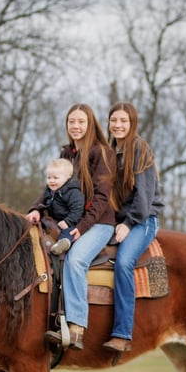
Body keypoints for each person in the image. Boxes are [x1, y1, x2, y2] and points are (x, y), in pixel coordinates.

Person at [26, 103, 115, 350]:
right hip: (69, 222)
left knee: (75, 260)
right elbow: (50, 188)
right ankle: (51, 320)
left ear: (90, 124)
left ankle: (76, 329)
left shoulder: (102, 153)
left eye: (81, 122)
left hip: (98, 223)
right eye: (71, 122)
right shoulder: (66, 155)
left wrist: (82, 227)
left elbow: (101, 197)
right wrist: (35, 208)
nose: (75, 126)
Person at [101, 101, 164, 353]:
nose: (118, 125)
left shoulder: (140, 149)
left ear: (132, 123)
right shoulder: (108, 151)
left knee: (124, 261)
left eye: (123, 121)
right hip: (117, 220)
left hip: (143, 218)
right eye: (114, 120)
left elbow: (145, 196)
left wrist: (129, 223)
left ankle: (122, 333)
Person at [27, 158, 85, 255]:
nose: (51, 181)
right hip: (54, 219)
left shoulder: (72, 192)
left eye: (55, 178)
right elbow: (43, 202)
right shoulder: (50, 190)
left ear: (68, 177)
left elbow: (78, 209)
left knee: (68, 231)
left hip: (69, 220)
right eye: (49, 178)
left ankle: (64, 243)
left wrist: (68, 221)